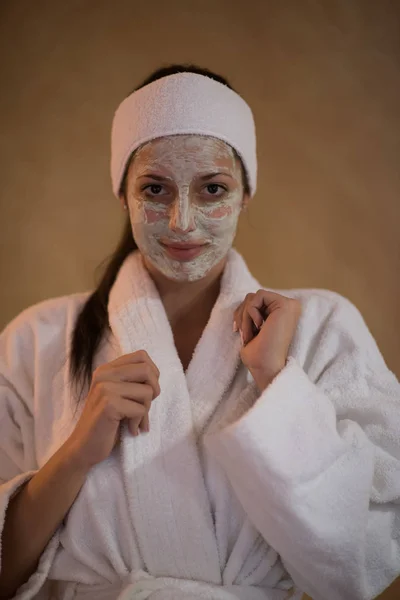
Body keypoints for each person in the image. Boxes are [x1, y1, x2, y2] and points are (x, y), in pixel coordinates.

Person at [0, 64, 399, 600]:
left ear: (246, 193)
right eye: (155, 189)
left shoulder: (323, 329)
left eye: (212, 188)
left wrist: (278, 383)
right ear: (123, 195)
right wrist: (76, 453)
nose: (182, 220)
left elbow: (360, 567)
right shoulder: (37, 340)